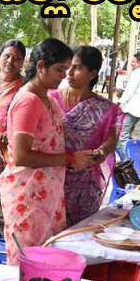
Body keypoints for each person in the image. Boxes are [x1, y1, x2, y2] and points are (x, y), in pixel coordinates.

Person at [0, 39, 95, 265]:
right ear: (41, 65)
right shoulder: (28, 101)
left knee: (45, 263)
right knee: (26, 264)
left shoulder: (49, 100)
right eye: (59, 69)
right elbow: (21, 155)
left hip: (45, 193)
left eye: (68, 69)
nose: (64, 75)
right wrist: (70, 159)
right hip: (26, 194)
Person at [52, 46, 124, 227]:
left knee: (78, 235)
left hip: (83, 184)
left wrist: (102, 150)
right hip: (50, 178)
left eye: (77, 68)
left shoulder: (104, 108)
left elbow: (111, 139)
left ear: (92, 73)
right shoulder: (49, 99)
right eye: (68, 67)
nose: (69, 73)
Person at [0, 39, 26, 178]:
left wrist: (10, 133)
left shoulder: (25, 87)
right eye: (6, 56)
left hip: (9, 149)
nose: (10, 61)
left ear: (22, 62)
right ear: (0, 57)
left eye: (16, 58)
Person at [115, 53, 140, 148]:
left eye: (133, 62)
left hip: (131, 109)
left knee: (123, 137)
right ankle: (132, 156)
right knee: (128, 135)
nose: (131, 64)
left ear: (139, 63)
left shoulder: (137, 74)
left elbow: (130, 91)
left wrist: (119, 102)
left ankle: (127, 159)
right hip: (139, 110)